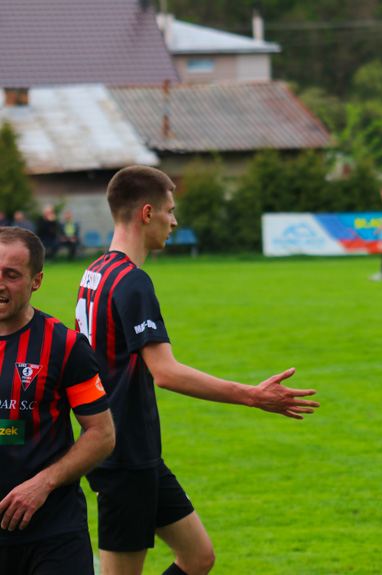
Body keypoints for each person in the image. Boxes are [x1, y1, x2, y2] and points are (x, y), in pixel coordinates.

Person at [75, 166, 320, 575]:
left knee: (198, 557)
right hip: (123, 455)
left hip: (137, 450)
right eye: (170, 211)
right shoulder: (133, 282)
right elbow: (165, 372)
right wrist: (252, 396)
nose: (175, 221)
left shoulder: (97, 271)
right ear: (147, 212)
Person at [0, 227, 115, 575]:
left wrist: (43, 483)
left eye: (11, 275)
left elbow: (102, 433)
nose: (0, 284)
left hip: (53, 534)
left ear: (36, 281)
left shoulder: (64, 346)